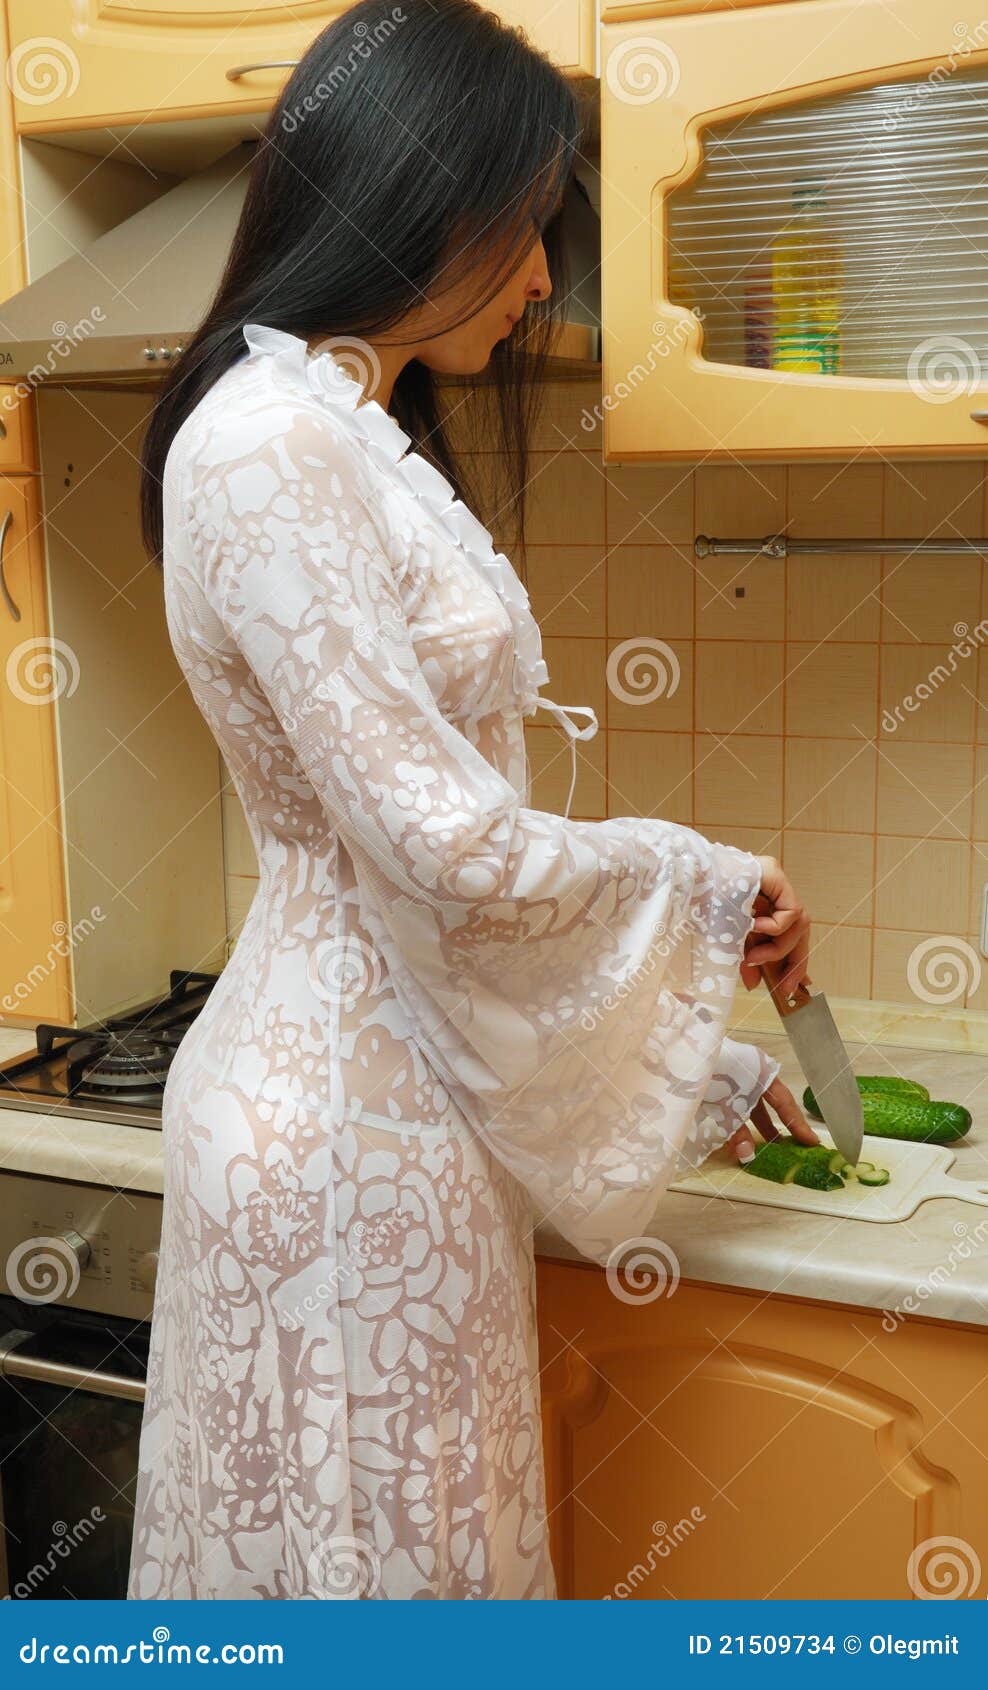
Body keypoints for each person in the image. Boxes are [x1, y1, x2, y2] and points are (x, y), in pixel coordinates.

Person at [128, 0, 814, 1602]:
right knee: (375, 1580)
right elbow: (442, 844)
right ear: (415, 203)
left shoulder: (342, 427)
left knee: (420, 1572)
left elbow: (426, 891)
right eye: (522, 231)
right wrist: (708, 887)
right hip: (336, 1148)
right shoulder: (267, 447)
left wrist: (689, 1057)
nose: (540, 281)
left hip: (403, 1119)